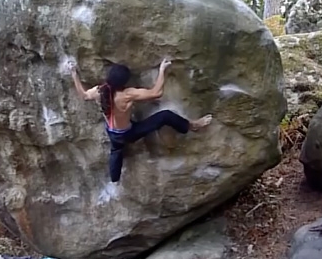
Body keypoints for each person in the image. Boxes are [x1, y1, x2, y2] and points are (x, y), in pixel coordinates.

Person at [67, 57, 213, 183]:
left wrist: (74, 74)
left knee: (116, 150)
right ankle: (192, 125)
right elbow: (157, 93)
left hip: (112, 133)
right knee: (166, 115)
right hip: (128, 133)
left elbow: (84, 95)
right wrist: (162, 70)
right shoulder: (127, 95)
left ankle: (114, 180)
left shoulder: (100, 91)